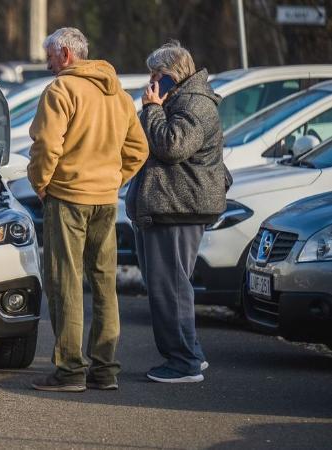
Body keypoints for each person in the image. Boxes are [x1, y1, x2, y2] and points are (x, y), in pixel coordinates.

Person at [27, 27, 149, 393]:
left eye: (50, 56)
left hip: (67, 198)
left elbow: (46, 145)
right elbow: (138, 149)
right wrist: (113, 180)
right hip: (105, 200)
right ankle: (105, 370)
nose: (48, 64)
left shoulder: (61, 90)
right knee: (104, 284)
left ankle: (69, 372)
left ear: (65, 54)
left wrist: (41, 184)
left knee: (65, 284)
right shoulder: (119, 95)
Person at [126, 41, 227, 383]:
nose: (152, 81)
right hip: (172, 205)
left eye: (157, 74)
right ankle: (190, 356)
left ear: (172, 74)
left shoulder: (194, 104)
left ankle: (183, 362)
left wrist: (152, 108)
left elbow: (172, 146)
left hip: (178, 207)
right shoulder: (184, 100)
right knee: (169, 285)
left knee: (170, 287)